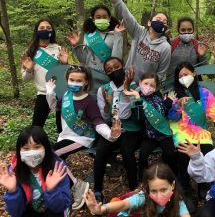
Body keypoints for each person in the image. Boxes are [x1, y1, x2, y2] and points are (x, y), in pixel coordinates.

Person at [46, 65, 122, 210]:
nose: (74, 83)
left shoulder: (89, 102)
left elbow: (98, 122)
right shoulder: (66, 96)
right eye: (71, 80)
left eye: (78, 81)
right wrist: (50, 92)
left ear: (86, 82)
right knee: (54, 158)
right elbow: (55, 107)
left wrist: (110, 134)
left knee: (51, 154)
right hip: (66, 136)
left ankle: (76, 185)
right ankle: (67, 188)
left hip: (81, 137)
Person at [167, 61, 215, 205]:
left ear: (194, 73)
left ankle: (204, 185)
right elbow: (171, 117)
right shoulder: (173, 94)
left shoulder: (204, 92)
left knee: (207, 153)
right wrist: (177, 106)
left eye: (186, 74)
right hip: (182, 132)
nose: (183, 78)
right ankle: (185, 190)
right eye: (180, 76)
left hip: (201, 133)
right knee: (183, 155)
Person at [94, 56, 142, 203]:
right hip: (113, 128)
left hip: (131, 129)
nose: (114, 71)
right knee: (101, 151)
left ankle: (134, 189)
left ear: (123, 66)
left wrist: (126, 89)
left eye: (116, 67)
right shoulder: (104, 90)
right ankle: (97, 190)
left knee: (127, 152)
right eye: (109, 70)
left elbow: (129, 114)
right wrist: (108, 106)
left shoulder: (135, 87)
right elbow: (105, 116)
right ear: (106, 74)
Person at [0, 126, 70, 217]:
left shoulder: (57, 169)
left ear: (46, 148)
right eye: (26, 148)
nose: (32, 152)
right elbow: (15, 213)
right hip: (28, 210)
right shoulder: (13, 173)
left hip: (51, 210)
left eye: (37, 147)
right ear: (19, 151)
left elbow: (61, 207)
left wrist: (52, 190)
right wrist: (13, 191)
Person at [123, 72, 177, 180]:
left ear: (156, 87)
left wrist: (168, 103)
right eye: (146, 83)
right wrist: (138, 98)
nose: (148, 87)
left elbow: (164, 114)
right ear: (140, 83)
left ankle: (169, 177)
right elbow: (140, 117)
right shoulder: (136, 100)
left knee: (170, 153)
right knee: (143, 156)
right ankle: (143, 179)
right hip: (149, 136)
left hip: (164, 134)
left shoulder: (158, 98)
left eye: (152, 85)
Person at [106, 0, 171, 82]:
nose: (161, 23)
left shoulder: (166, 47)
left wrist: (150, 86)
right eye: (158, 19)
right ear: (149, 23)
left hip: (146, 88)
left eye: (164, 22)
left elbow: (161, 73)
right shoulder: (139, 32)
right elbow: (128, 16)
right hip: (127, 80)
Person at [84, 163, 190, 217]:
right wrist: (101, 209)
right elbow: (123, 204)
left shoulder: (177, 200)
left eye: (163, 190)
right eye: (154, 191)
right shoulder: (143, 196)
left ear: (172, 185)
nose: (159, 195)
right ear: (147, 189)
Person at [21, 19, 68, 128]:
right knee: (36, 126)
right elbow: (25, 78)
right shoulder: (29, 52)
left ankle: (61, 145)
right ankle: (37, 145)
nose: (45, 30)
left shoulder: (59, 49)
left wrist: (65, 63)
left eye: (48, 28)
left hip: (61, 93)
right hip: (43, 94)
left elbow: (68, 73)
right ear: (36, 31)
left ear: (52, 31)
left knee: (62, 126)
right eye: (41, 28)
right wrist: (29, 69)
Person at [67, 5, 124, 71]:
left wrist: (118, 35)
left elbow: (117, 60)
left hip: (109, 75)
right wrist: (76, 45)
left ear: (109, 18)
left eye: (105, 17)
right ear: (93, 19)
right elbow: (83, 60)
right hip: (91, 75)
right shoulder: (88, 36)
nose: (102, 19)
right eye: (98, 17)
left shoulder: (116, 34)